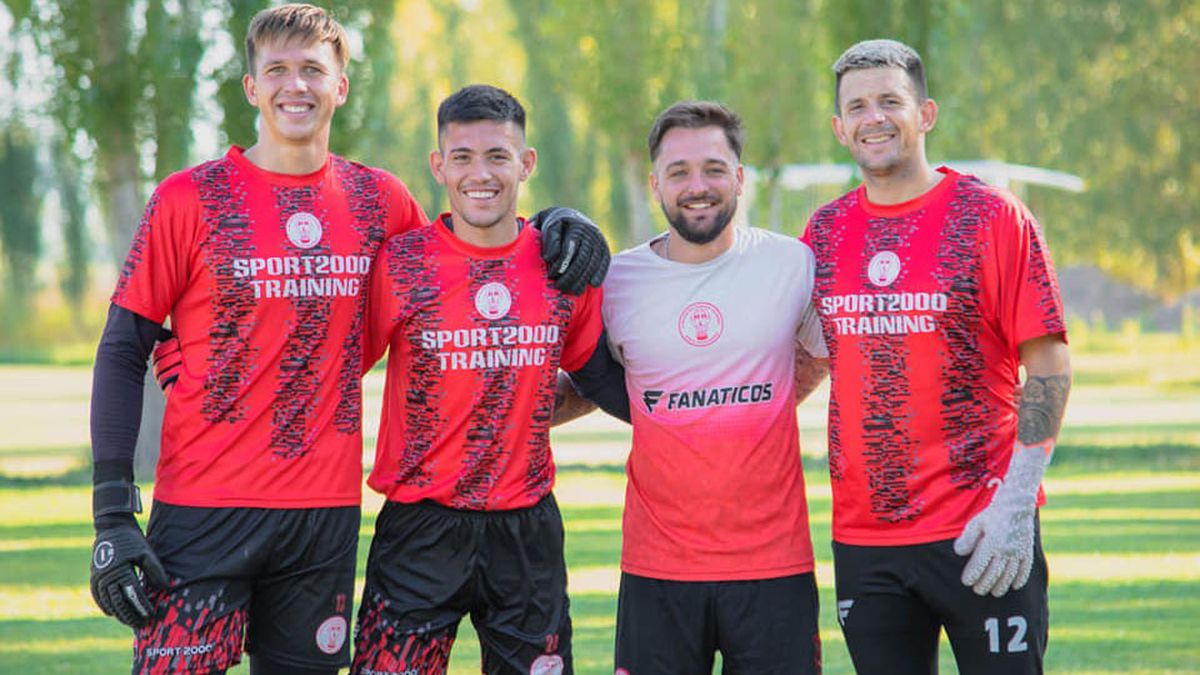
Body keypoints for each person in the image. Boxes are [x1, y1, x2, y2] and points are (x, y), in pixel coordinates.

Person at [87, 6, 607, 674]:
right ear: (251, 86)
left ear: (341, 85)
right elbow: (122, 347)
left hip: (322, 517)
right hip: (202, 507)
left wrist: (562, 223)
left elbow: (470, 257)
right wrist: (112, 513)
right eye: (277, 69)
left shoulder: (379, 201)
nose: (294, 85)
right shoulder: (190, 197)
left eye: (312, 69)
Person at [801, 39, 1072, 674]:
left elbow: (1050, 366)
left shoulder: (991, 217)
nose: (874, 118)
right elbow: (807, 360)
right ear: (839, 127)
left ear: (926, 114)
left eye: (890, 101)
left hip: (983, 528)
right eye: (857, 106)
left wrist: (1016, 503)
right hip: (866, 539)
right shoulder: (824, 232)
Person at [349, 84, 625, 675]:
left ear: (526, 163)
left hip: (526, 530)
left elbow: (600, 376)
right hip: (420, 528)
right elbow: (330, 368)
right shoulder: (400, 264)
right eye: (463, 157)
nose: (481, 174)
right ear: (438, 166)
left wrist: (693, 413)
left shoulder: (561, 265)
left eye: (498, 156)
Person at [561, 100, 827, 674]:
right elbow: (590, 379)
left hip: (774, 566)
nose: (697, 186)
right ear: (655, 183)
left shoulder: (792, 264)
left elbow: (823, 357)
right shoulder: (618, 281)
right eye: (678, 172)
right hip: (658, 568)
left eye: (713, 169)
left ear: (740, 177)